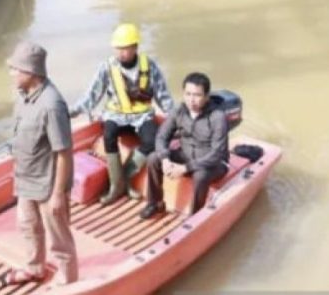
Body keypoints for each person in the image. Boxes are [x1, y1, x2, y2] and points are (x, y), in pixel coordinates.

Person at [69, 23, 174, 204]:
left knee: (152, 141)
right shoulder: (106, 68)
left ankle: (126, 176)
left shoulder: (149, 66)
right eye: (117, 48)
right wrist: (72, 111)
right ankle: (116, 187)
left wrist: (177, 117)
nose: (120, 53)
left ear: (135, 47)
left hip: (142, 116)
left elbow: (163, 96)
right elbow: (92, 96)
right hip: (116, 115)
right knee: (108, 133)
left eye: (125, 49)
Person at [1, 41, 78, 287]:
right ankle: (35, 268)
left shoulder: (51, 105)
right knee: (28, 227)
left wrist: (58, 194)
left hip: (47, 184)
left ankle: (68, 281)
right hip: (26, 179)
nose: (11, 74)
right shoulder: (24, 97)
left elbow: (64, 152)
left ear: (31, 72)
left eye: (15, 69)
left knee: (59, 238)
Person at [140, 72, 229, 220]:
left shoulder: (217, 117)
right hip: (186, 154)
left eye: (197, 95)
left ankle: (195, 217)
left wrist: (185, 168)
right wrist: (165, 159)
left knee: (201, 175)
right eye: (188, 94)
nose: (191, 100)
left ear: (207, 96)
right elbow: (162, 136)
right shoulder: (179, 111)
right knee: (153, 158)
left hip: (213, 163)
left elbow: (217, 154)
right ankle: (155, 203)